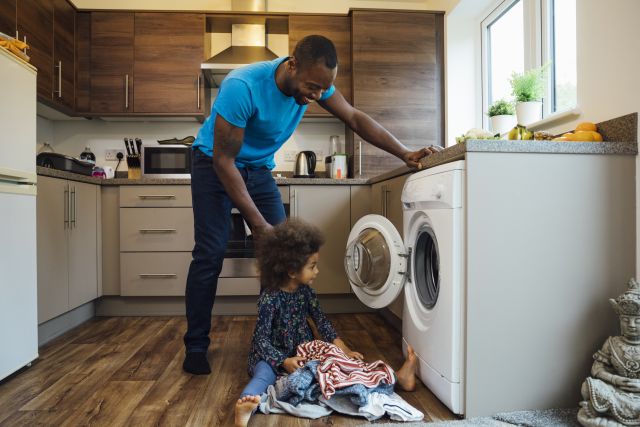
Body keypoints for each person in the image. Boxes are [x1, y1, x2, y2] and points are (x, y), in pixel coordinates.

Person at [183, 34, 441, 375]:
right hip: (214, 165)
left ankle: (274, 342)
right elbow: (224, 162)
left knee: (284, 257)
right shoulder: (242, 86)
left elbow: (354, 117)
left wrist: (404, 152)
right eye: (312, 87)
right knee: (211, 252)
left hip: (257, 170)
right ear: (292, 64)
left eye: (323, 90)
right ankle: (197, 346)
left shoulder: (316, 82)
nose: (316, 96)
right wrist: (258, 226)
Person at [234, 219, 419, 427]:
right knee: (263, 375)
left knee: (343, 367)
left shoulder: (306, 292)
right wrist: (282, 361)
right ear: (292, 271)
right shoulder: (270, 298)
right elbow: (261, 340)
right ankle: (246, 405)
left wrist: (344, 350)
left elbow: (322, 322)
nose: (317, 271)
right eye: (312, 266)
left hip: (303, 352)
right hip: (271, 356)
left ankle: (397, 378)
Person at [578, 278, 640, 427]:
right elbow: (597, 369)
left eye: (637, 321)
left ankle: (602, 417)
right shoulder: (612, 342)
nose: (631, 325)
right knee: (587, 387)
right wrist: (615, 380)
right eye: (625, 319)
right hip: (617, 390)